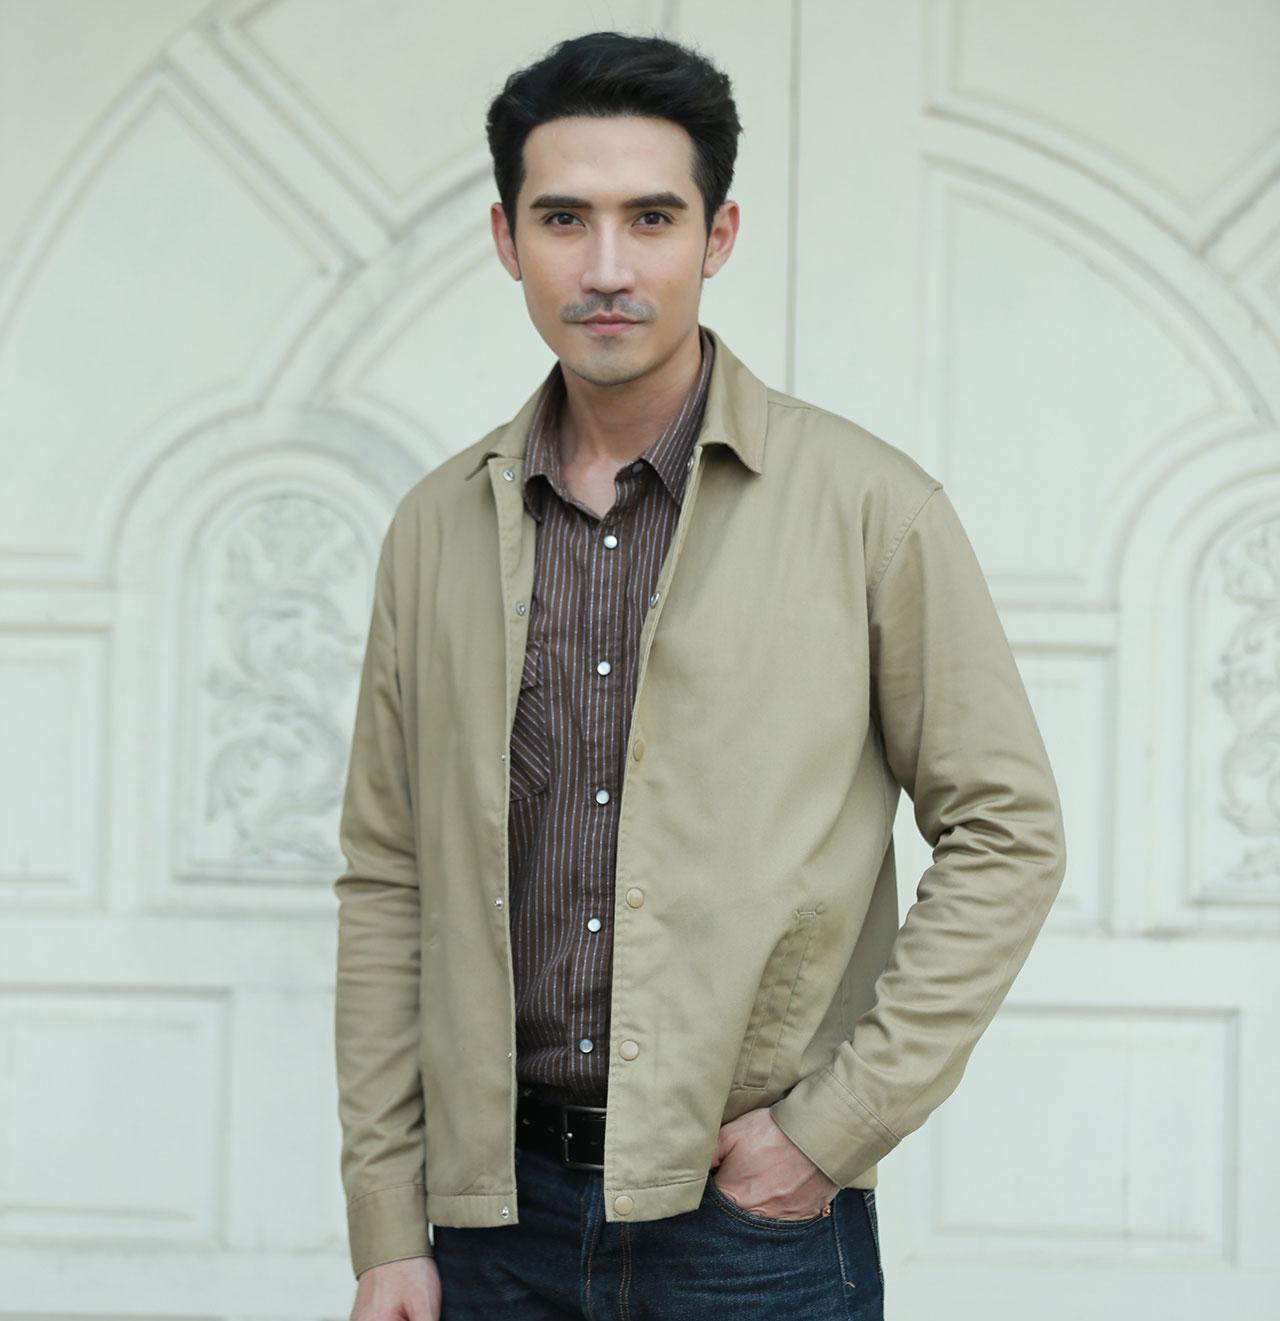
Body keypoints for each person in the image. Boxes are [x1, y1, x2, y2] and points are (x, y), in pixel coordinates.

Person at [333, 28, 1067, 1321]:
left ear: (718, 235)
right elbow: (390, 881)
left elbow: (1008, 830)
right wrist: (389, 1225)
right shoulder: (436, 528)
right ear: (507, 238)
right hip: (492, 1224)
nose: (607, 267)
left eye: (652, 218)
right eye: (565, 218)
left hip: (752, 1230)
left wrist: (835, 1126)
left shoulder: (868, 508)